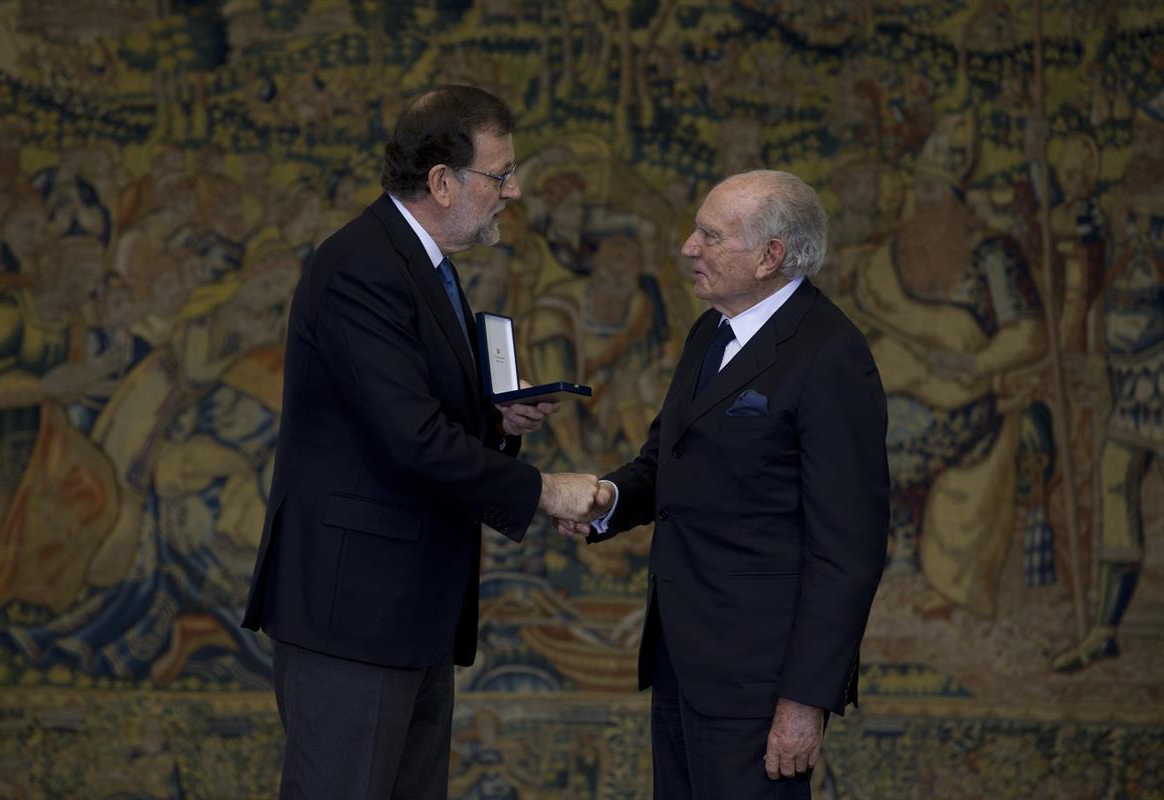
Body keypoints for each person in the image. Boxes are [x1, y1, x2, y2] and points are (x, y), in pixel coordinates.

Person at [241, 85, 601, 799]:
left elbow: (404, 414)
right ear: (442, 182)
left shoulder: (424, 267)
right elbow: (409, 439)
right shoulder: (362, 267)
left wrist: (496, 423)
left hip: (405, 613)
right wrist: (545, 490)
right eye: (500, 175)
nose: (514, 190)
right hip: (355, 617)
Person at [557, 170, 890, 798]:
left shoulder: (830, 355)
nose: (688, 246)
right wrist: (607, 500)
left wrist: (804, 702)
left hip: (760, 684)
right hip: (683, 659)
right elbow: (667, 463)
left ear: (771, 256)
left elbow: (849, 550)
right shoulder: (710, 330)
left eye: (710, 235)